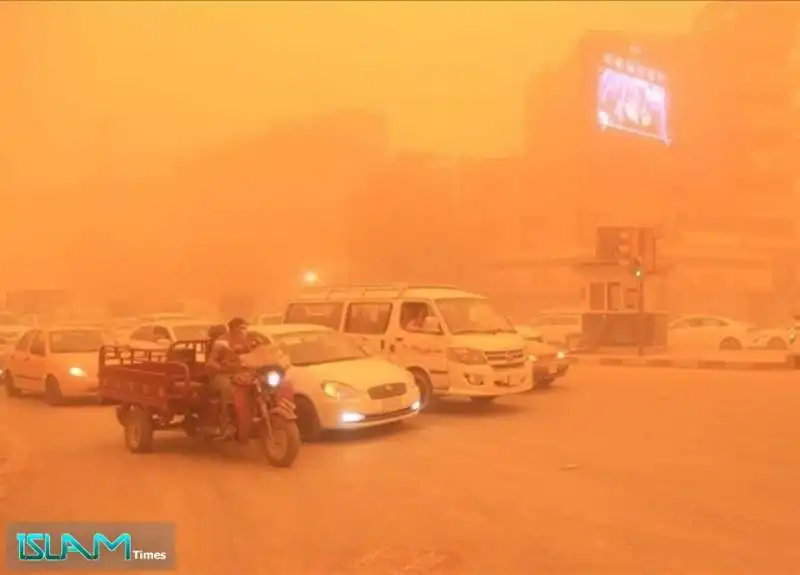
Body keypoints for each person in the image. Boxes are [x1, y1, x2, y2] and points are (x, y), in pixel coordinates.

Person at [205, 318, 253, 439]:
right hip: (223, 376)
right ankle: (227, 424)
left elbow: (258, 354)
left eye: (245, 328)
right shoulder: (222, 342)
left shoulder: (247, 341)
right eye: (241, 328)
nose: (244, 331)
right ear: (233, 329)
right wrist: (223, 368)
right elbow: (210, 362)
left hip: (242, 374)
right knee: (229, 389)